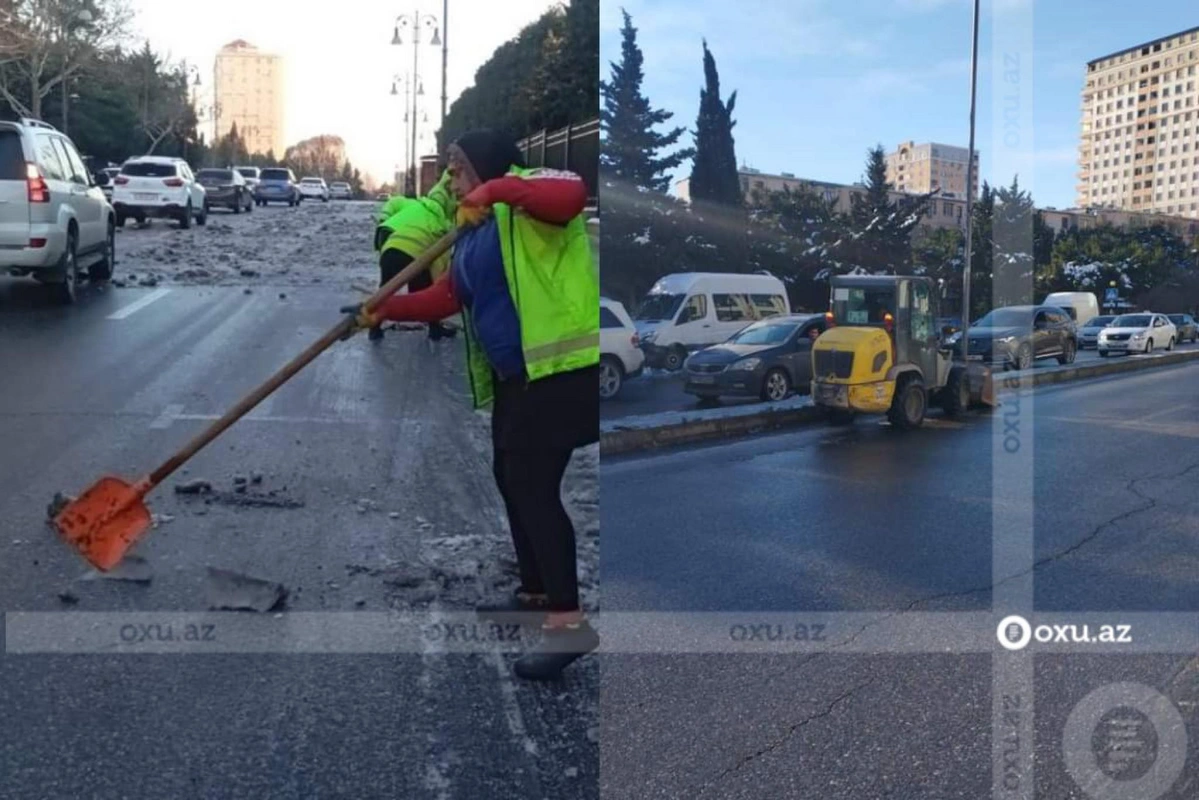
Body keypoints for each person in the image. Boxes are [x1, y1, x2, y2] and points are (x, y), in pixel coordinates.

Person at [341, 129, 599, 681]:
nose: (451, 179)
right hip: (516, 377)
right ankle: (535, 595)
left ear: (485, 166)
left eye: (458, 168)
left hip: (557, 373)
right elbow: (448, 298)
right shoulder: (473, 235)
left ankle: (567, 622)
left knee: (533, 486)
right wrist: (386, 311)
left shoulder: (531, 196)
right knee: (511, 477)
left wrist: (495, 192)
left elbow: (573, 193)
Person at [369, 170, 458, 342]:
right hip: (413, 254)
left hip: (390, 248)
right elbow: (439, 262)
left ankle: (374, 329)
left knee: (385, 290)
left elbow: (393, 206)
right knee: (426, 294)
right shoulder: (443, 225)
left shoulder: (416, 205)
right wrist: (438, 284)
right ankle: (435, 329)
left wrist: (383, 219)